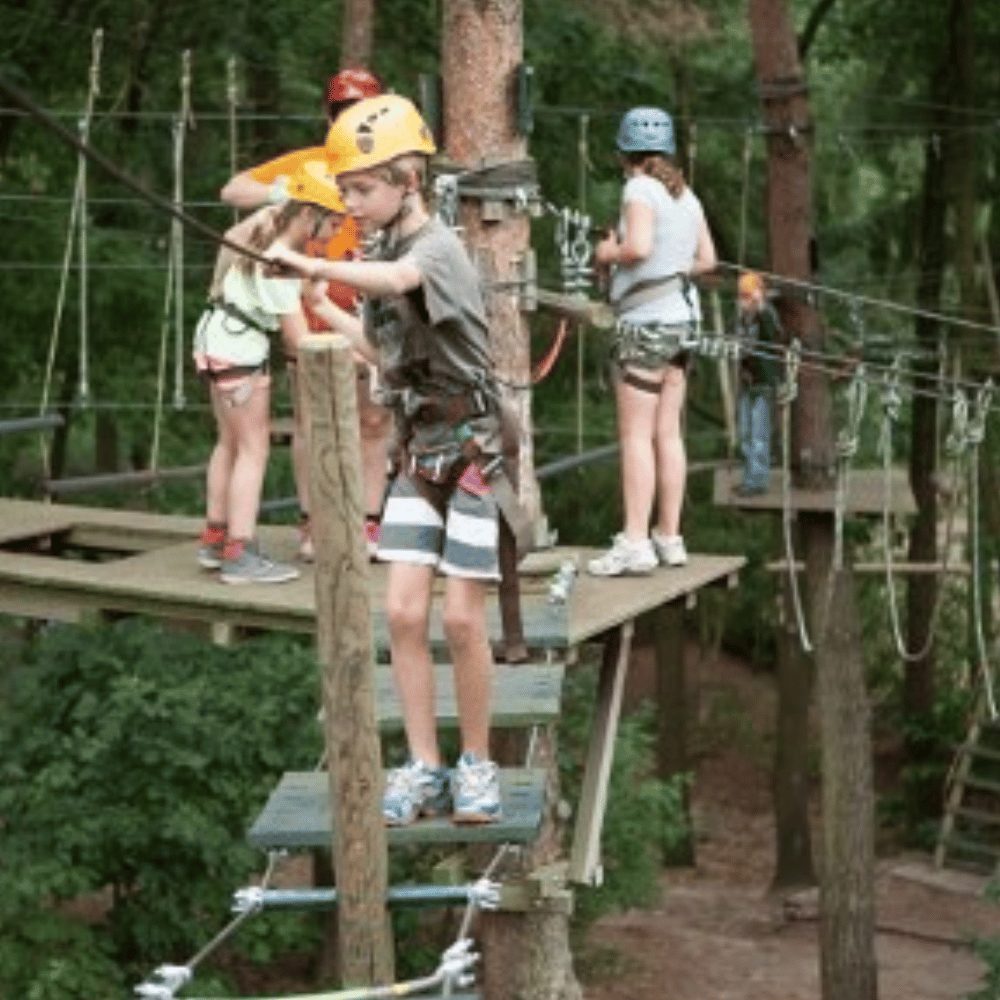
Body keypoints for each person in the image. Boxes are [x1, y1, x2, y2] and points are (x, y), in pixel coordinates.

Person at [266, 95, 504, 826]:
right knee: (401, 612)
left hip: (473, 448)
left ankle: (477, 763)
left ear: (407, 178)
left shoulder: (435, 248)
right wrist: (322, 303)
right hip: (417, 447)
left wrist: (309, 258)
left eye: (362, 189)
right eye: (347, 192)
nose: (353, 204)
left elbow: (401, 288)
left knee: (462, 621)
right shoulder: (379, 252)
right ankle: (424, 764)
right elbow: (384, 354)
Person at [220, 68, 390, 561]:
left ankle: (368, 525)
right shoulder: (309, 164)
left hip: (367, 319)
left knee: (375, 421)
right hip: (308, 319)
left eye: (360, 112)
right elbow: (233, 190)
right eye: (342, 112)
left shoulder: (388, 172)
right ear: (328, 115)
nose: (349, 121)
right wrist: (286, 194)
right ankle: (314, 525)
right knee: (311, 423)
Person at [194, 162, 348, 584]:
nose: (335, 232)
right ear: (308, 214)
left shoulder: (261, 229)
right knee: (254, 449)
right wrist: (353, 356)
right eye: (332, 221)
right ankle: (240, 553)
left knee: (229, 442)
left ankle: (215, 537)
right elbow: (299, 341)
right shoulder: (281, 260)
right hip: (239, 351)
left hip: (212, 338)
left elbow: (229, 238)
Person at [588, 106, 717, 577]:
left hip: (646, 326)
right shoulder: (685, 195)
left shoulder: (639, 188)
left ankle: (636, 542)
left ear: (624, 152)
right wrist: (673, 265)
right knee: (668, 433)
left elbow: (637, 247)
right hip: (683, 324)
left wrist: (607, 252)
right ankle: (669, 536)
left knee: (636, 436)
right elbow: (708, 259)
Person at [734, 270, 782, 496]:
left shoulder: (766, 315)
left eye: (747, 295)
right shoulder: (741, 318)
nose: (744, 300)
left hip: (763, 381)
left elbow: (772, 336)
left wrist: (760, 306)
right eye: (741, 296)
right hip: (747, 381)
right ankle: (749, 477)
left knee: (758, 435)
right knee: (745, 433)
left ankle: (757, 481)